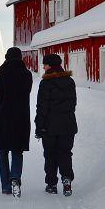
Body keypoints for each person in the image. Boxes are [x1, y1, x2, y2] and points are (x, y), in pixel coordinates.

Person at [0, 47, 33, 197]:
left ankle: (6, 186)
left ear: (7, 57)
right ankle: (15, 178)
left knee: (3, 152)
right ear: (20, 58)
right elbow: (26, 92)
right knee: (17, 151)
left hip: (2, 118)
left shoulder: (0, 74)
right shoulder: (27, 75)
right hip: (20, 118)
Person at [35, 53, 77, 196]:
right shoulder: (70, 82)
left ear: (50, 66)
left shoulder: (46, 83)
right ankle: (66, 179)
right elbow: (73, 104)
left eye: (45, 64)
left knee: (50, 154)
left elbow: (41, 108)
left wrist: (39, 127)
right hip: (68, 125)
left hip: (50, 126)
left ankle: (52, 184)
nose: (43, 67)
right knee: (65, 153)